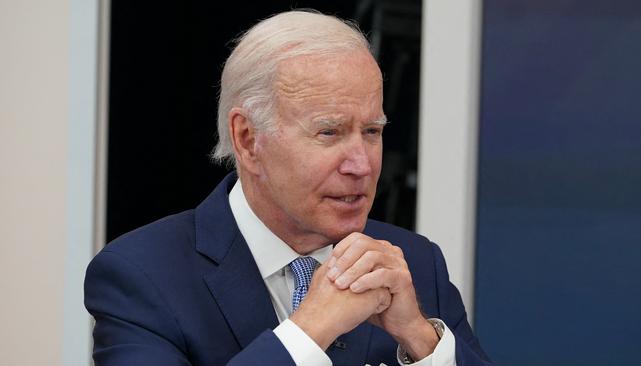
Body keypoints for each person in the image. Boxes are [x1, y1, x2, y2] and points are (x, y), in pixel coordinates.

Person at [84, 10, 492, 366]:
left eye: (371, 131)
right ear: (247, 139)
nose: (362, 165)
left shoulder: (415, 263)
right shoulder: (141, 274)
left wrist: (420, 340)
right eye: (329, 132)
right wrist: (310, 329)